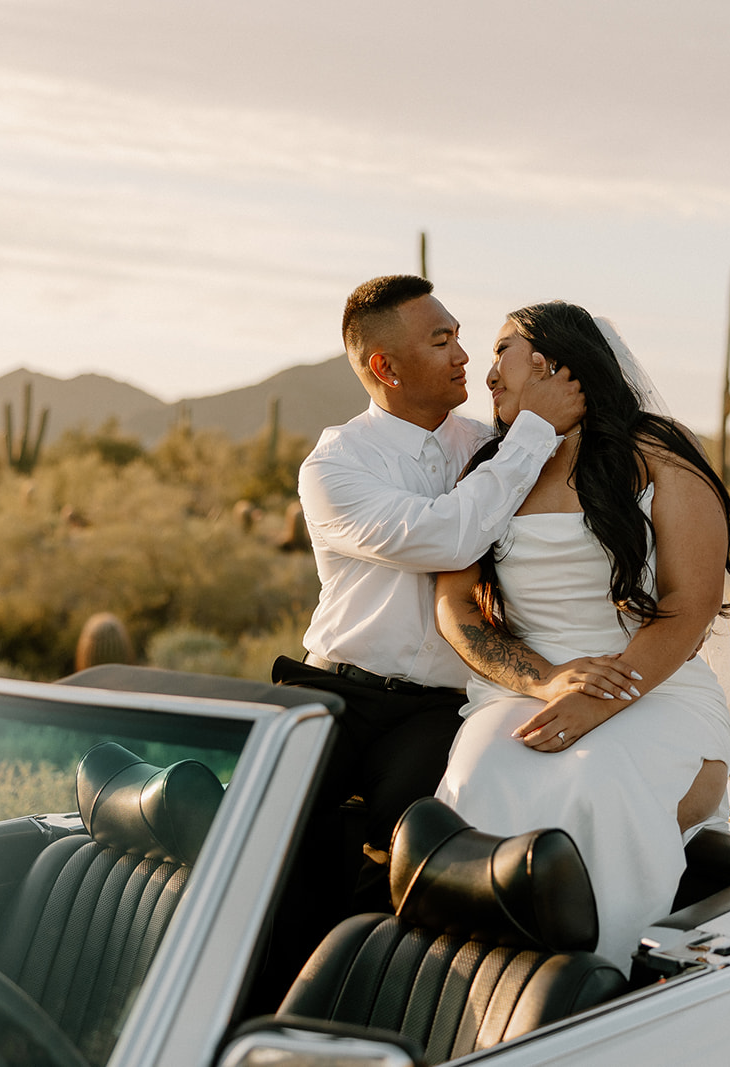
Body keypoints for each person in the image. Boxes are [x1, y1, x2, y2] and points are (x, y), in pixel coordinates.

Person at [259, 276, 588, 1001]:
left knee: (409, 858)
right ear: (385, 367)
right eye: (441, 341)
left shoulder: (494, 444)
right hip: (337, 685)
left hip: (443, 701)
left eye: (460, 335)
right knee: (271, 851)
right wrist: (532, 434)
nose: (465, 355)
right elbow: (448, 535)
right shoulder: (335, 466)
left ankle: (373, 1007)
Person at [434, 300, 730, 973]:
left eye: (502, 351)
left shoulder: (659, 457)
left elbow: (689, 604)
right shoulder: (494, 470)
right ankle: (473, 982)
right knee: (480, 773)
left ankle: (603, 980)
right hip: (526, 686)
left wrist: (600, 699)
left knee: (599, 781)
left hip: (653, 682)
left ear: (552, 361)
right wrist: (547, 680)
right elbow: (458, 606)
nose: (486, 374)